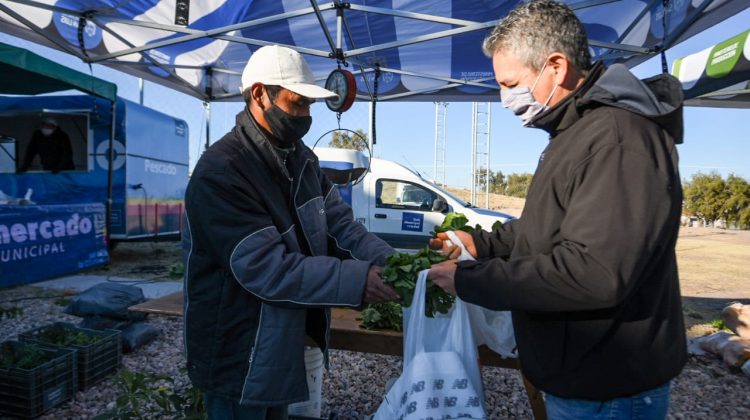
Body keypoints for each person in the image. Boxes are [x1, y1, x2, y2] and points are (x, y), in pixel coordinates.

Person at [428, 1, 686, 418]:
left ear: (556, 66)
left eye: (510, 83)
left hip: (609, 384)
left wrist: (471, 280)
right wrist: (481, 244)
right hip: (583, 373)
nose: (504, 98)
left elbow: (593, 272)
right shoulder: (575, 131)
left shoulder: (618, 139)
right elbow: (544, 229)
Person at [182, 45, 398, 419]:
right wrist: (358, 280)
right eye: (297, 103)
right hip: (238, 348)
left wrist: (395, 265)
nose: (305, 116)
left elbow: (342, 226)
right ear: (259, 94)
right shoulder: (222, 171)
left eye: (309, 107)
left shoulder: (302, 159)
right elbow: (267, 269)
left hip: (279, 342)